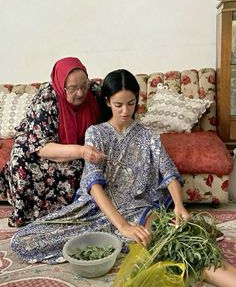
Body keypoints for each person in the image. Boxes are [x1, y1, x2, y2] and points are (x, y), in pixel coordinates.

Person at [10, 69, 236, 286]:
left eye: (131, 103)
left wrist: (179, 205)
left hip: (141, 208)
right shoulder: (96, 133)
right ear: (107, 102)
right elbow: (93, 184)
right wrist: (123, 226)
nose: (126, 111)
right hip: (96, 210)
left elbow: (168, 172)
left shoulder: (148, 135)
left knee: (179, 241)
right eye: (118, 105)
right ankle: (125, 235)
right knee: (24, 240)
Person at [0, 57, 105, 227]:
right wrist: (82, 151)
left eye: (83, 85)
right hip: (41, 150)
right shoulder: (47, 99)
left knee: (83, 168)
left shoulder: (94, 92)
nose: (80, 93)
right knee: (21, 162)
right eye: (72, 88)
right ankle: (30, 216)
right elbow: (41, 146)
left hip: (76, 151)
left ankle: (69, 214)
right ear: (61, 84)